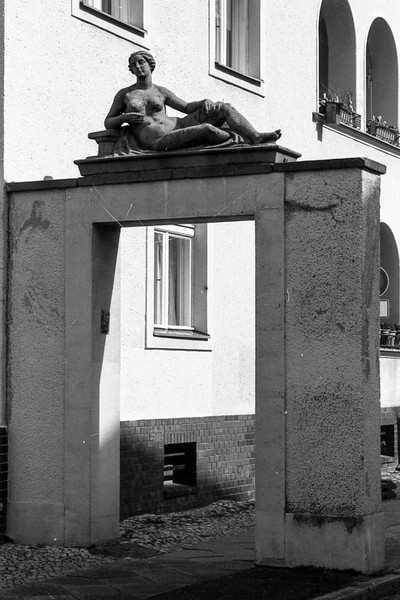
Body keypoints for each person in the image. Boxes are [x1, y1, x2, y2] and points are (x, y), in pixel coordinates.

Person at [104, 51, 282, 153]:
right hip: (158, 139)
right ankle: (241, 142)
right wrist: (124, 118)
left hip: (180, 124)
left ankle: (255, 136)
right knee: (206, 129)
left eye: (141, 62)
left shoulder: (160, 91)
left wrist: (204, 101)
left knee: (223, 108)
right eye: (133, 65)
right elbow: (108, 122)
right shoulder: (126, 94)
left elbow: (187, 107)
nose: (137, 67)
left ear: (150, 65)